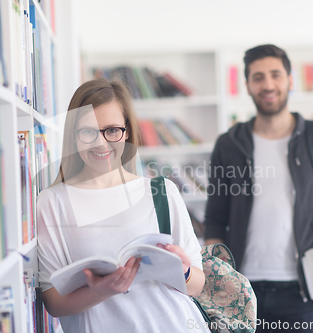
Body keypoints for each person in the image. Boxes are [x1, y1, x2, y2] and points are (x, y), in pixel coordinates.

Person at [203, 44, 313, 332]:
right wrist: (215, 277)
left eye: (275, 74)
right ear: (247, 85)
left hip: (303, 291)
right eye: (258, 77)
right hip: (240, 292)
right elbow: (215, 218)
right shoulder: (229, 144)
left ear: (290, 80)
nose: (268, 84)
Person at [37, 79, 209, 332]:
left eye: (112, 130)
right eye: (88, 132)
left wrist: (183, 271)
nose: (101, 143)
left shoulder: (161, 192)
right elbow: (53, 302)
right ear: (73, 136)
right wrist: (103, 291)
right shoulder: (53, 202)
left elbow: (197, 285)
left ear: (126, 132)